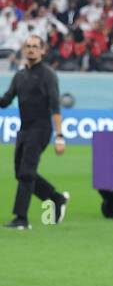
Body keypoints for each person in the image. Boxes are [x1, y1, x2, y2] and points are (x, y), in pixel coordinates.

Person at [2, 35, 68, 230]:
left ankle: (21, 218)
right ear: (23, 49)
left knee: (26, 172)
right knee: (21, 173)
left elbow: (55, 107)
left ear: (42, 50)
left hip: (41, 129)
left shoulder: (48, 75)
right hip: (24, 129)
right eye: (28, 46)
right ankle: (56, 198)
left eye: (35, 46)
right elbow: (6, 100)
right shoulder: (19, 76)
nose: (31, 49)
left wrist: (59, 136)